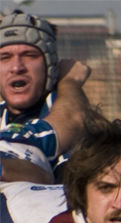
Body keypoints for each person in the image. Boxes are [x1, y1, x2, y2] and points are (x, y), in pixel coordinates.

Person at [0, 11, 93, 183]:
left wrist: (69, 82)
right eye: (5, 57)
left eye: (29, 55)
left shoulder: (78, 126)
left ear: (50, 66)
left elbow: (73, 119)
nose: (16, 67)